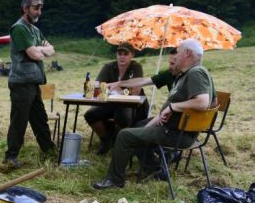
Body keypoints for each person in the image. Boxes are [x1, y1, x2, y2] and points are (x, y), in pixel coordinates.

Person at [92, 39, 215, 190]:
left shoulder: (196, 72)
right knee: (138, 128)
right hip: (177, 130)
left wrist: (173, 107)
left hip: (177, 134)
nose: (177, 55)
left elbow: (203, 102)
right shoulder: (188, 74)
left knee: (124, 136)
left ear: (187, 53)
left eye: (180, 51)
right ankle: (155, 170)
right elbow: (210, 102)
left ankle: (114, 180)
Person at [4, 0, 56, 169]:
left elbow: (51, 50)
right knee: (20, 120)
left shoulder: (35, 30)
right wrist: (40, 50)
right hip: (21, 82)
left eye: (40, 8)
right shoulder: (19, 28)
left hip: (35, 82)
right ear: (25, 8)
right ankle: (11, 157)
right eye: (35, 7)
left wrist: (39, 49)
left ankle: (49, 151)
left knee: (40, 119)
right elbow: (34, 54)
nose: (39, 11)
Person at [84, 43, 145, 155]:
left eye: (125, 54)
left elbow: (136, 91)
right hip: (110, 103)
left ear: (132, 55)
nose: (122, 56)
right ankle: (105, 140)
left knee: (122, 115)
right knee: (90, 114)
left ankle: (119, 142)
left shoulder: (136, 67)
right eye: (119, 54)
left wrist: (120, 91)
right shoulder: (108, 67)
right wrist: (112, 91)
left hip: (130, 105)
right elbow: (95, 89)